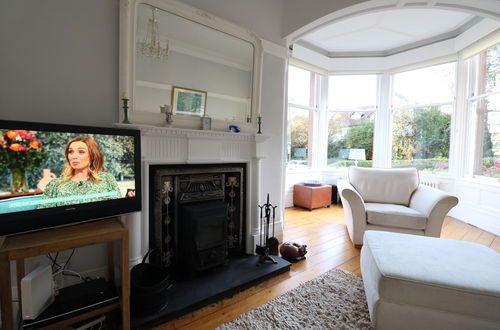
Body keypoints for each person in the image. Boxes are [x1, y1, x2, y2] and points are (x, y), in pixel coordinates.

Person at [39, 136, 121, 208]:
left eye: (81, 152)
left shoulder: (107, 179)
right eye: (70, 152)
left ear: (92, 155)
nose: (74, 156)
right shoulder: (55, 184)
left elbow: (118, 208)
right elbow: (42, 215)